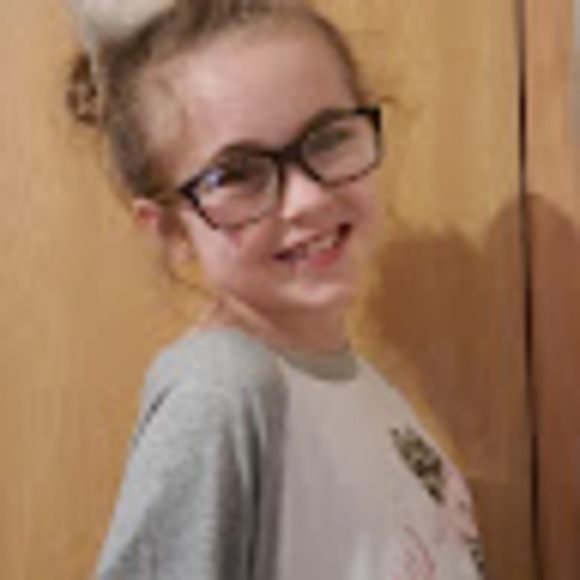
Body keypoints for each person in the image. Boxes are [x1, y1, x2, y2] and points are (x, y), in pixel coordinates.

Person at [66, 0, 486, 578]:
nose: (308, 199)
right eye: (236, 174)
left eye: (328, 138)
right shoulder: (222, 389)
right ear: (169, 229)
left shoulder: (370, 396)